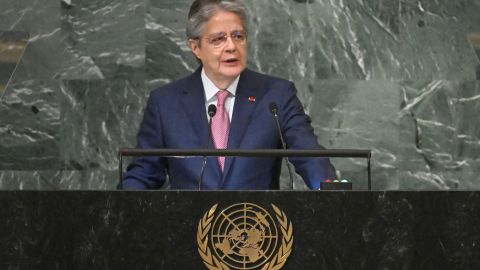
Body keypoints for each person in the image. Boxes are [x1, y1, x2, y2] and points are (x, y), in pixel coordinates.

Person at [122, 0, 336, 190]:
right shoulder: (165, 103)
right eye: (218, 39)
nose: (232, 47)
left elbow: (310, 157)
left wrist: (336, 196)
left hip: (259, 228)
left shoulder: (276, 95)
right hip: (189, 228)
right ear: (195, 47)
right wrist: (117, 208)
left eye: (238, 36)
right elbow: (144, 173)